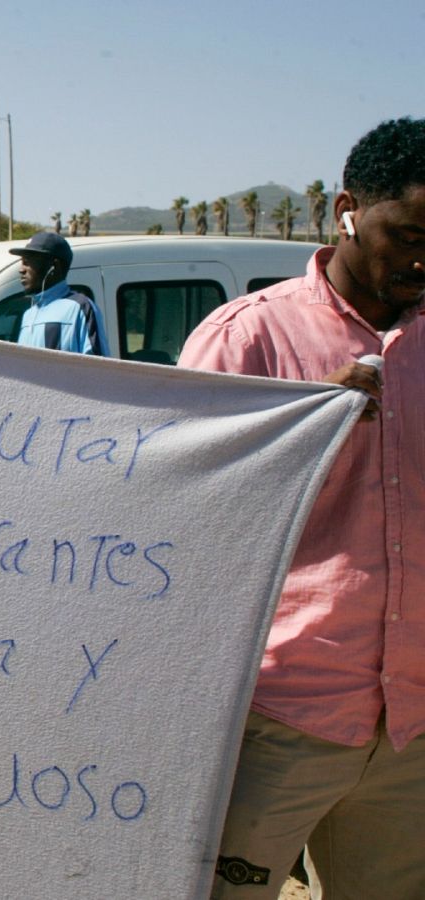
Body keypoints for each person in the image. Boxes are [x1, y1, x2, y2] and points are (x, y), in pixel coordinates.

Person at [179, 117, 425, 898]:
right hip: (277, 719)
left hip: (412, 733)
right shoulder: (248, 339)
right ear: (348, 209)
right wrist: (295, 427)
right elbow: (184, 519)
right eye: (411, 233)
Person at [9, 231, 107, 355]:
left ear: (54, 266)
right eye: (22, 262)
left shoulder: (79, 308)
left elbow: (100, 367)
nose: (21, 269)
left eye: (28, 262)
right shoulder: (29, 314)